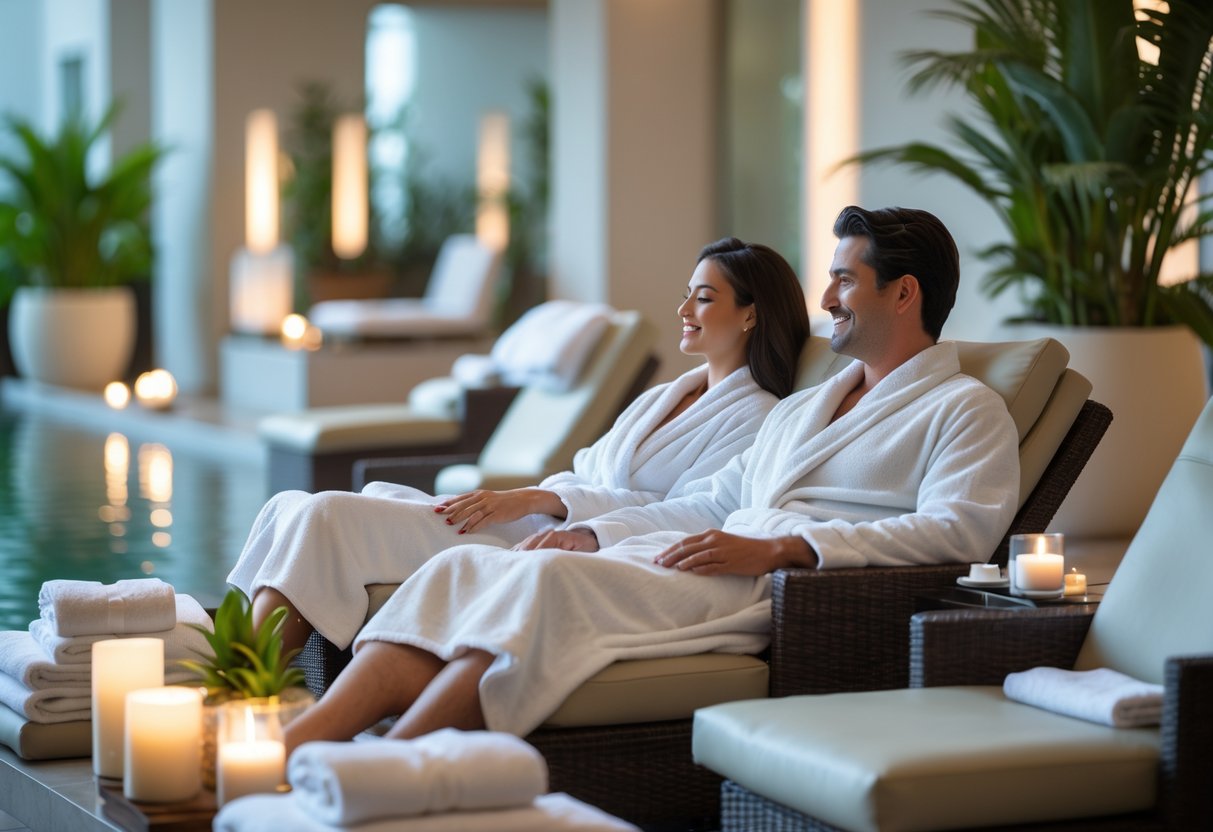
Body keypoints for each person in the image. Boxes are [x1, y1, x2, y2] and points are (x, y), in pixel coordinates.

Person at [282, 205, 1021, 753]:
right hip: (708, 553)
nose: (825, 299)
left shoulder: (964, 408)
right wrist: (590, 531)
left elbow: (961, 530)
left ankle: (396, 761)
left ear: (903, 294)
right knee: (469, 567)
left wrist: (789, 550)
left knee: (540, 587)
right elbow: (712, 499)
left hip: (780, 584)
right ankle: (309, 742)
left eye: (842, 281)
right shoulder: (805, 407)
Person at [227, 237, 811, 655]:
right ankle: (240, 677)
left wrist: (542, 504)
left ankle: (241, 688)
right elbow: (586, 472)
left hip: (580, 551)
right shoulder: (665, 396)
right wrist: (529, 498)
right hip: (535, 520)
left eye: (704, 299)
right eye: (687, 294)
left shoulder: (759, 417)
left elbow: (687, 515)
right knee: (296, 506)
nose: (683, 310)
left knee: (329, 513)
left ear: (751, 314)